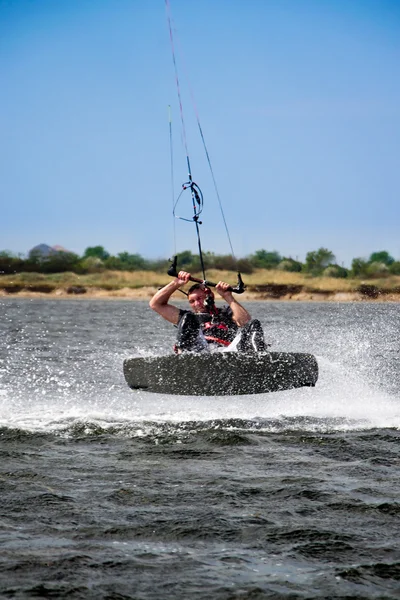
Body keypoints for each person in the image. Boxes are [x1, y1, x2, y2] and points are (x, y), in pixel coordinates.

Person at [149, 270, 267, 353]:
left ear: (209, 296)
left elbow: (245, 321)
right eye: (192, 301)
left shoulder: (226, 313)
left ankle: (259, 361)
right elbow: (156, 304)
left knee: (253, 325)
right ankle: (183, 359)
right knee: (188, 317)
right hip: (199, 354)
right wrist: (176, 283)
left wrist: (227, 296)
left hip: (227, 353)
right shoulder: (188, 319)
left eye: (199, 298)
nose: (196, 303)